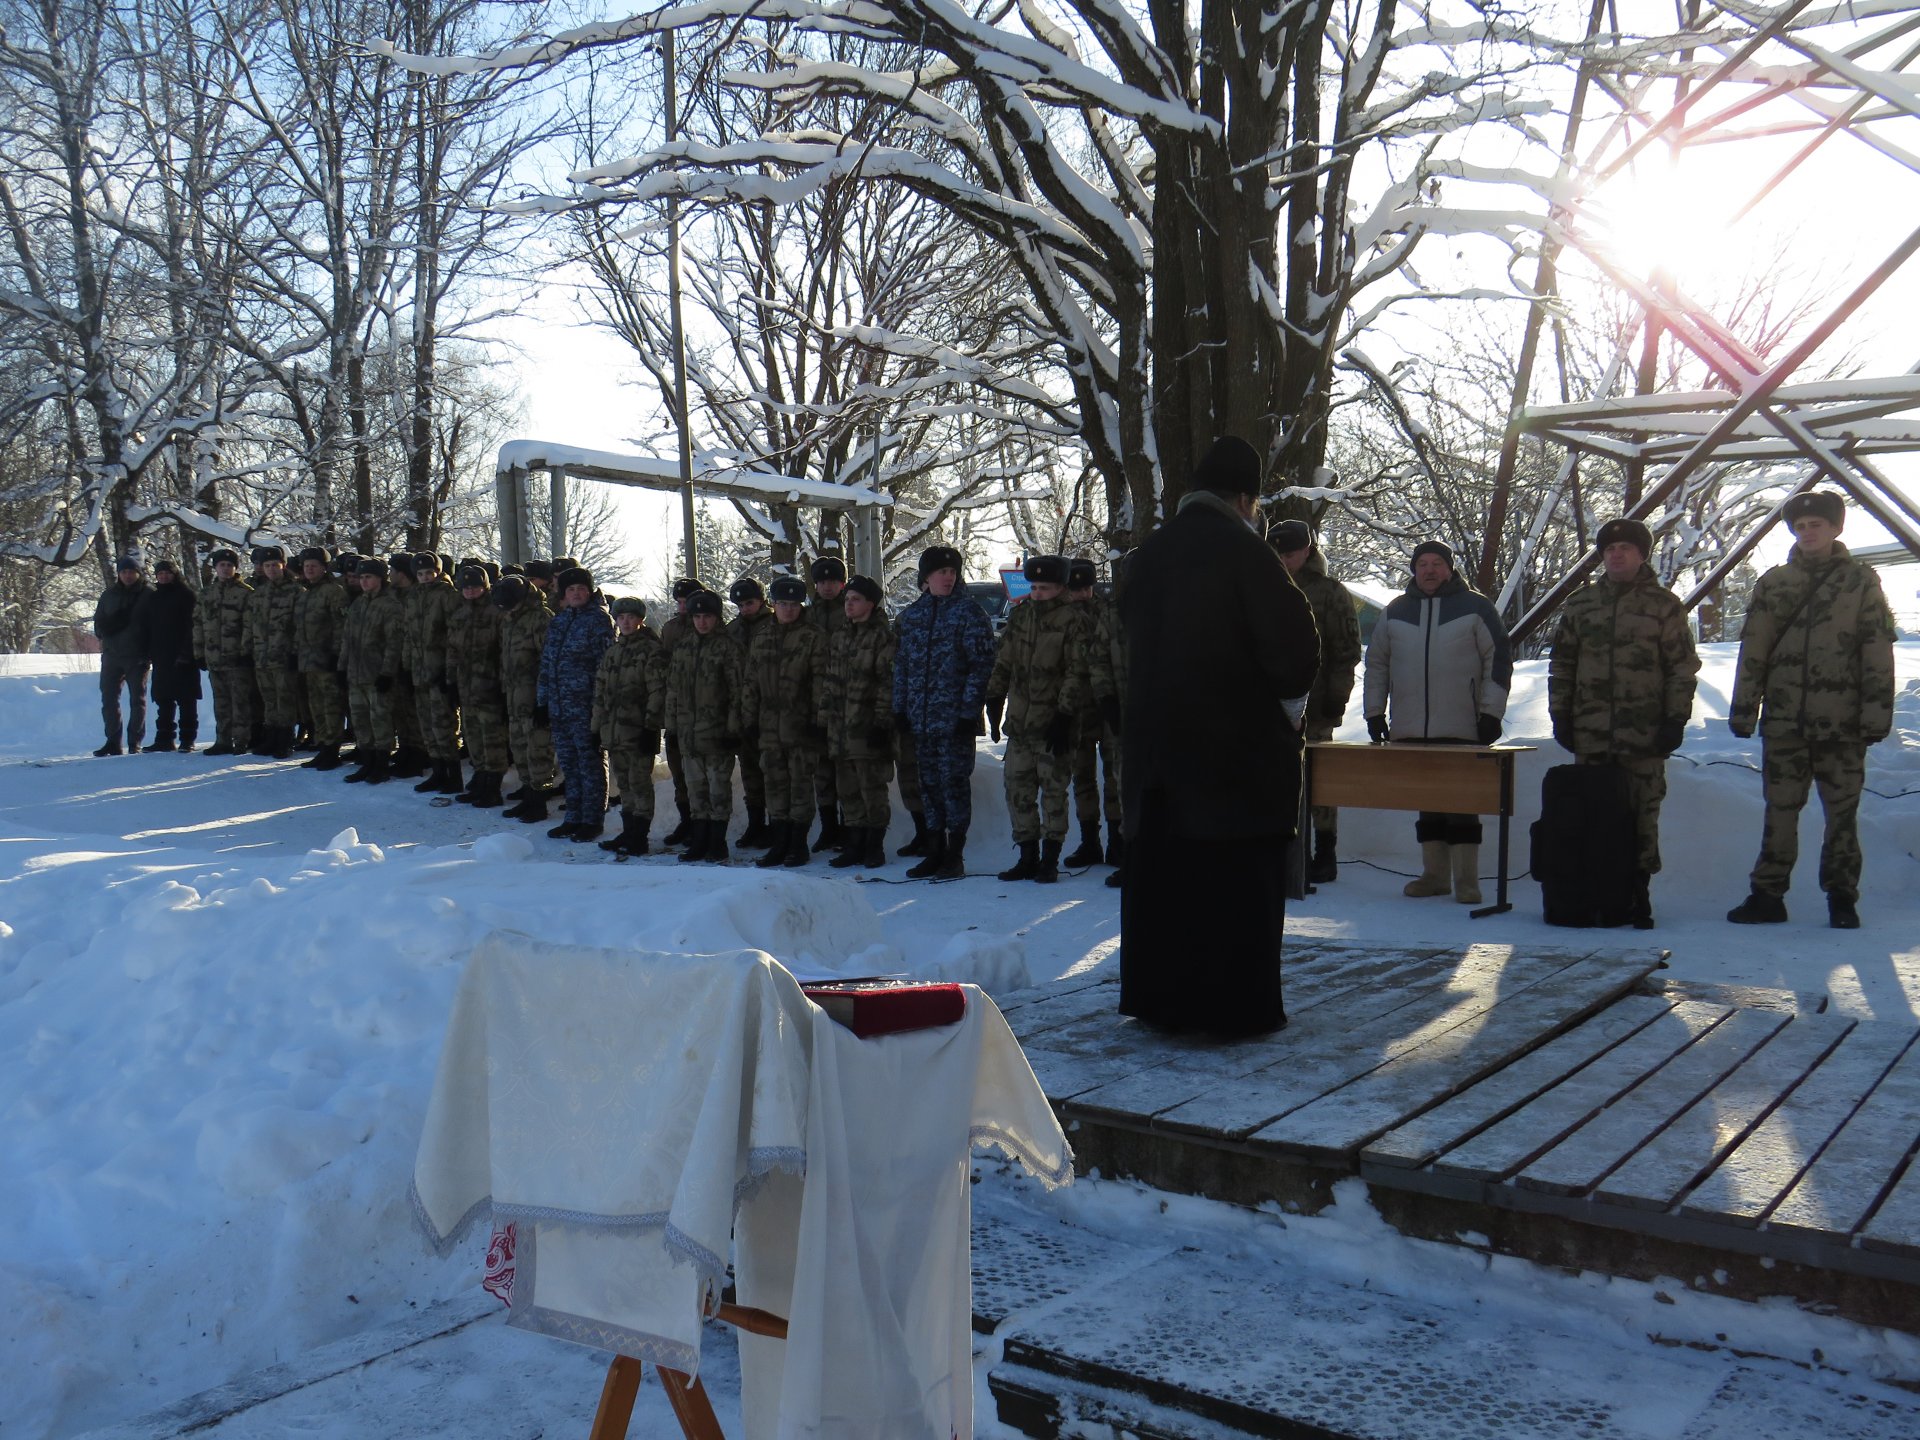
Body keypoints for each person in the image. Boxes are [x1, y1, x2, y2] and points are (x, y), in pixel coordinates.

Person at [1118, 435, 1319, 1036]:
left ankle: (1160, 1001)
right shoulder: (1246, 552)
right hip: (1232, 759)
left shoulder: (1149, 554)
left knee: (1165, 880)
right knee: (1231, 885)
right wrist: (1289, 712)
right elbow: (1294, 649)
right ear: (1245, 498)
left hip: (1157, 756)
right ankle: (1230, 1011)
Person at [1727, 490, 1897, 929]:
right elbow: (1754, 649)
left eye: (1816, 524)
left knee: (1841, 816)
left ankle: (1842, 898)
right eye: (1800, 527)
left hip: (1843, 722)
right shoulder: (1774, 583)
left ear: (1836, 528)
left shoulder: (1860, 582)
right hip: (1784, 722)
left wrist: (1877, 713)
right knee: (1779, 812)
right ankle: (1767, 896)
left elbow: (1876, 650)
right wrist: (1744, 708)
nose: (1807, 532)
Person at [1547, 518, 1700, 928]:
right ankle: (1597, 893)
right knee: (1594, 815)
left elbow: (1682, 668)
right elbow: (1562, 664)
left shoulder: (1664, 605)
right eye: (1609, 549)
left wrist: (1674, 719)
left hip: (1644, 734)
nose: (1616, 555)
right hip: (1591, 732)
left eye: (1625, 548)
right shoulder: (1581, 605)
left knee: (1643, 813)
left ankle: (1637, 891)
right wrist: (1561, 713)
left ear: (1641, 555)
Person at [1362, 539, 1513, 904]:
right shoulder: (1396, 611)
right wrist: (1374, 712)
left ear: (1449, 568)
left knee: (1462, 804)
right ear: (1414, 570)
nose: (1429, 570)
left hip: (1463, 725)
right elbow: (1377, 664)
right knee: (1427, 800)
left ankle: (1466, 881)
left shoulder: (1476, 607)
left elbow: (1498, 660)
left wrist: (1491, 713)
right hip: (1410, 726)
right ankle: (1434, 876)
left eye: (1436, 563)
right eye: (1422, 564)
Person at [892, 545, 996, 879]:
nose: (948, 577)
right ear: (927, 576)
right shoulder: (912, 617)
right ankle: (934, 850)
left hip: (955, 722)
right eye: (941, 572)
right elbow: (902, 667)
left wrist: (968, 713)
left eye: (952, 571)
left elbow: (982, 667)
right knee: (929, 786)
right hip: (921, 720)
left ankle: (954, 854)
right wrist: (900, 709)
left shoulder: (970, 614)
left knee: (954, 786)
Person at [1266, 520, 1362, 883]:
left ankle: (1325, 852)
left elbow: (1346, 651)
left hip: (1316, 704)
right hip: (1270, 705)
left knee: (1318, 782)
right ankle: (1288, 852)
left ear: (1307, 551)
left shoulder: (1330, 592)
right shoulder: (1263, 588)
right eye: (1277, 553)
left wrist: (1337, 699)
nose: (1283, 560)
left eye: (1290, 553)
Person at [985, 555, 1086, 883]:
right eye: (1035, 587)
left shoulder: (1073, 620)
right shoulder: (1021, 616)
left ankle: (1049, 859)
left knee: (1053, 792)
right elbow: (1004, 661)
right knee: (1017, 789)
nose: (1038, 593)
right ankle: (1026, 856)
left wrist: (1064, 715)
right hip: (1020, 723)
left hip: (1053, 724)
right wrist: (994, 698)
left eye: (1045, 587)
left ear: (1060, 588)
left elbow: (1076, 672)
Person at [744, 575, 830, 868]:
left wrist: (818, 721)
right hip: (769, 726)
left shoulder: (813, 636)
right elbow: (751, 682)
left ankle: (798, 844)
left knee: (800, 785)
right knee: (774, 784)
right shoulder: (762, 637)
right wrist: (749, 720)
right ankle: (779, 842)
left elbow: (821, 682)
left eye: (794, 604)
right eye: (783, 603)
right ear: (773, 604)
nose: (788, 609)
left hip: (801, 725)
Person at [664, 589, 749, 863]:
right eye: (697, 616)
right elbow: (673, 690)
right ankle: (699, 840)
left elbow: (738, 692)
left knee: (717, 790)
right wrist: (672, 728)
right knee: (695, 789)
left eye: (708, 616)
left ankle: (717, 842)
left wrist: (733, 729)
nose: (702, 622)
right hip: (688, 734)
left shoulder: (728, 648)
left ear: (716, 618)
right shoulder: (683, 648)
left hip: (717, 733)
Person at [820, 574, 896, 870]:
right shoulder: (840, 636)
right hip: (840, 728)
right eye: (847, 599)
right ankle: (854, 844)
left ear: (870, 604)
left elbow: (887, 683)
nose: (849, 604)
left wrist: (881, 723)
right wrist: (824, 718)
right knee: (847, 789)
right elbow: (829, 680)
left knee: (871, 788)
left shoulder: (881, 637)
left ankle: (874, 846)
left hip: (866, 726)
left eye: (856, 600)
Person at [536, 566, 615, 842]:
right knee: (569, 764)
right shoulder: (559, 621)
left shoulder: (599, 621)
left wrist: (600, 710)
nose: (577, 593)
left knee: (590, 764)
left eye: (581, 588)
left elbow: (606, 668)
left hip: (586, 708)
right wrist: (542, 702)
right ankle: (573, 816)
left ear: (589, 591)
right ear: (564, 593)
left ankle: (592, 819)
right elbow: (547, 664)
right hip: (560, 707)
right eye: (571, 589)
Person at [591, 596, 667, 854]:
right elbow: (600, 693)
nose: (625, 622)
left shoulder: (651, 651)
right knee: (624, 784)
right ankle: (629, 832)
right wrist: (595, 728)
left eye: (631, 617)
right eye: (621, 618)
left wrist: (650, 727)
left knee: (639, 784)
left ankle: (640, 837)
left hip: (638, 731)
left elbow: (657, 691)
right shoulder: (613, 652)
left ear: (640, 620)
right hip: (614, 732)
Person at [1062, 558, 1122, 871]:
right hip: (1077, 708)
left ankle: (1117, 841)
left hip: (1107, 704)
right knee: (1082, 776)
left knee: (1114, 776)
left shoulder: (1106, 612)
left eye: (1085, 588)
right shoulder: (1063, 617)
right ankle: (1089, 842)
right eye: (1075, 589)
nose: (1081, 594)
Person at [496, 574, 561, 822]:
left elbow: (549, 661)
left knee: (538, 750)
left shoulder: (541, 618)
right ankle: (528, 793)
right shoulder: (509, 619)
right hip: (514, 696)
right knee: (519, 746)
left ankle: (539, 801)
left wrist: (544, 700)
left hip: (535, 696)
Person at [446, 564, 510, 809]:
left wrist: (502, 685)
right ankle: (480, 776)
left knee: (492, 738)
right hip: (466, 686)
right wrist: (451, 681)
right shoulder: (460, 615)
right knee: (473, 736)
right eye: (466, 587)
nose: (470, 591)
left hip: (489, 685)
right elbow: (452, 650)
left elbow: (505, 652)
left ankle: (492, 785)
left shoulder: (497, 613)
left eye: (475, 586)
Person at [338, 557, 406, 784]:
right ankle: (367, 762)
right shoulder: (358, 604)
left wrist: (387, 673)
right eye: (362, 577)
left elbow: (394, 643)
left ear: (380, 578)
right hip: (355, 673)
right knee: (360, 719)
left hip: (376, 673)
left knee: (380, 720)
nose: (364, 581)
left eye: (369, 577)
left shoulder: (390, 605)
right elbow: (347, 639)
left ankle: (381, 764)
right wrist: (342, 668)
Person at [406, 553, 464, 796]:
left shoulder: (447, 595)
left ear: (438, 572)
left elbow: (454, 635)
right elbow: (409, 634)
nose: (425, 577)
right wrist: (406, 666)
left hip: (439, 668)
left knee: (444, 725)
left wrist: (449, 671)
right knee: (427, 725)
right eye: (420, 574)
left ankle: (453, 774)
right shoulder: (413, 596)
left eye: (429, 572)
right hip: (419, 670)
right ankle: (438, 771)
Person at [805, 554, 852, 851]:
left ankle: (849, 827)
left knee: (845, 769)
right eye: (822, 582)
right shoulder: (808, 614)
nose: (827, 587)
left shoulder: (851, 610)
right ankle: (828, 827)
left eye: (833, 581)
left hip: (846, 699)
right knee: (822, 770)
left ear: (842, 583)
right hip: (814, 699)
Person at [727, 577, 775, 847]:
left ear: (761, 601)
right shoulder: (732, 630)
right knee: (749, 771)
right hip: (742, 709)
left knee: (774, 772)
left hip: (770, 706)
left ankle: (777, 825)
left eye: (750, 603)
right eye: (740, 605)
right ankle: (755, 824)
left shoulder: (774, 624)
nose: (745, 608)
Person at [658, 577, 706, 845]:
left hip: (704, 709)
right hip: (676, 707)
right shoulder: (671, 628)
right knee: (678, 770)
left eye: (687, 601)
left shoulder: (710, 626)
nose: (683, 606)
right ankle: (686, 819)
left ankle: (703, 824)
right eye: (679, 602)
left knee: (700, 773)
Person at [293, 547, 350, 771]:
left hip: (327, 659)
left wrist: (336, 655)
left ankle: (332, 748)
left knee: (331, 705)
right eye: (306, 566)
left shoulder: (334, 592)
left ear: (324, 568)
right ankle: (323, 745)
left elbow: (341, 626)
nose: (309, 569)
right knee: (316, 705)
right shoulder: (305, 593)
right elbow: (299, 628)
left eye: (314, 566)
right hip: (308, 661)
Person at [194, 548, 255, 755]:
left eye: (230, 565)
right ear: (216, 568)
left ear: (235, 568)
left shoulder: (245, 593)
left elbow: (249, 625)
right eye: (222, 565)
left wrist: (245, 652)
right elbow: (198, 624)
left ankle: (241, 740)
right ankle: (223, 739)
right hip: (214, 656)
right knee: (220, 701)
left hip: (236, 657)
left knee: (240, 701)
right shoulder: (206, 594)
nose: (226, 569)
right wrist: (199, 653)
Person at [243, 544, 300, 759]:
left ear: (283, 565)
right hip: (262, 656)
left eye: (275, 565)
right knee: (268, 698)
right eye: (267, 566)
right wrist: (247, 650)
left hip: (284, 655)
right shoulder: (258, 594)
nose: (271, 569)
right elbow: (250, 625)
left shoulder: (295, 591)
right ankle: (271, 737)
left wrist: (295, 652)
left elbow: (300, 626)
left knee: (284, 698)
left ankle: (285, 739)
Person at [91, 555, 152, 755]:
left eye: (131, 572)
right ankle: (113, 741)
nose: (127, 575)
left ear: (138, 573)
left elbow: (156, 625)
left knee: (137, 700)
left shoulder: (148, 595)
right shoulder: (109, 595)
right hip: (112, 655)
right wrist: (102, 635)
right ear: (119, 574)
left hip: (137, 655)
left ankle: (135, 741)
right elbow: (98, 620)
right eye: (124, 572)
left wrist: (148, 651)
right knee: (108, 699)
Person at [139, 560, 200, 752]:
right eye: (160, 574)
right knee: (163, 698)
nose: (164, 576)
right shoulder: (154, 598)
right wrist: (148, 651)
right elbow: (148, 627)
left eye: (167, 573)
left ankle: (187, 739)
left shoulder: (186, 595)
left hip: (184, 655)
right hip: (161, 656)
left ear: (174, 574)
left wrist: (187, 652)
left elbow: (193, 626)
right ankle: (164, 738)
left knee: (186, 699)